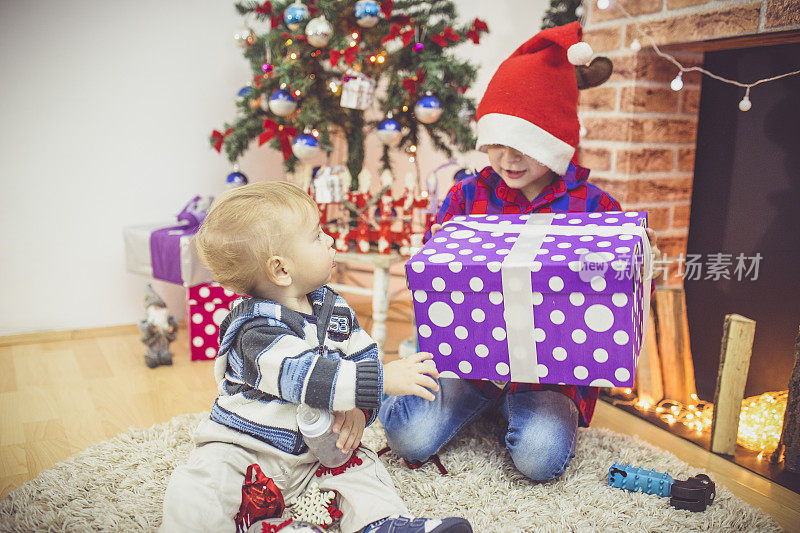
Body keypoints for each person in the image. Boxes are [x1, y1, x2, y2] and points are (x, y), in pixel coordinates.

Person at [379, 22, 661, 483]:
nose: (508, 159)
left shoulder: (595, 208)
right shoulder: (466, 199)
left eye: (525, 147)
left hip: (550, 376)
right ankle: (468, 401)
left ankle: (510, 411)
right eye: (496, 145)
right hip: (467, 365)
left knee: (540, 459)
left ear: (556, 144)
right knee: (407, 436)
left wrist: (640, 259)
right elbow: (436, 276)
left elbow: (620, 286)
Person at [160, 182, 472, 533]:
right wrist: (383, 380)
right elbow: (309, 377)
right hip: (248, 453)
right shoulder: (254, 332)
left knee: (362, 465)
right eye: (316, 235)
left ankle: (383, 523)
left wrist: (359, 410)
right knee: (201, 487)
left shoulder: (329, 304)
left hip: (313, 455)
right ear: (281, 270)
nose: (330, 240)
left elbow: (362, 352)